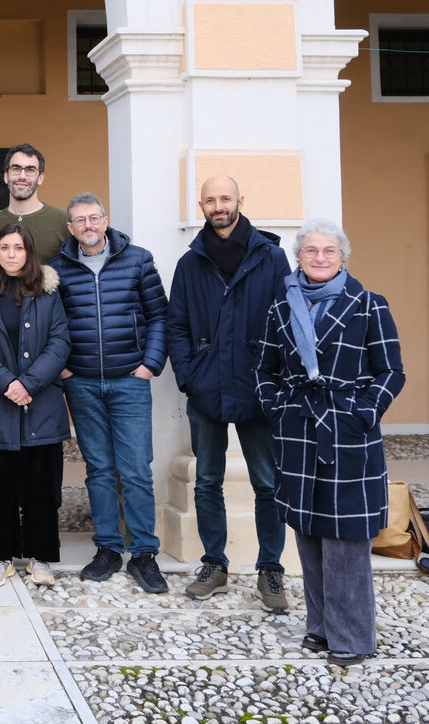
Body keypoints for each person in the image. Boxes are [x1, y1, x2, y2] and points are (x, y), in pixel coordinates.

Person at [256, 218, 404, 667]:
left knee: (346, 539)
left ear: (343, 258)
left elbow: (391, 371)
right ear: (298, 257)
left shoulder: (369, 305)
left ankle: (353, 638)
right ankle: (319, 629)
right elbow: (264, 370)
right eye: (311, 251)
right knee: (309, 534)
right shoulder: (281, 308)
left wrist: (364, 412)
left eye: (329, 251)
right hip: (298, 430)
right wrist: (279, 407)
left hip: (348, 433)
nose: (320, 258)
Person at [165, 175, 291, 611]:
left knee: (268, 483)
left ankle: (270, 569)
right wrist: (189, 375)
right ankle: (214, 564)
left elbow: (286, 324)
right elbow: (175, 325)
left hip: (259, 389)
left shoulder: (272, 258)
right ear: (201, 205)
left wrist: (273, 379)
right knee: (206, 481)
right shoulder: (190, 263)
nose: (218, 206)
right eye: (210, 199)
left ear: (241, 200)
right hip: (207, 389)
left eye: (226, 198)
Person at [48, 193, 169, 593]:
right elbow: (54, 323)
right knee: (98, 469)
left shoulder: (137, 259)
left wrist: (148, 365)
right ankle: (108, 549)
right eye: (79, 220)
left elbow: (159, 316)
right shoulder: (59, 267)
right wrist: (64, 368)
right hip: (81, 382)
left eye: (93, 218)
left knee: (135, 469)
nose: (87, 225)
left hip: (129, 381)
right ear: (70, 227)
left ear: (105, 220)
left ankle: (145, 554)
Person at [0, 223, 70, 588]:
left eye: (18, 248)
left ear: (29, 252)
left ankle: (40, 557)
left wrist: (29, 383)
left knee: (41, 485)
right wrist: (8, 383)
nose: (11, 254)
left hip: (42, 403)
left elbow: (59, 343)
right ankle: (1, 557)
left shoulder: (49, 293)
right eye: (4, 248)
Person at [0, 144, 69, 268]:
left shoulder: (64, 223)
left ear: (40, 178)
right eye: (16, 168)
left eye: (30, 169)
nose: (22, 176)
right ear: (6, 176)